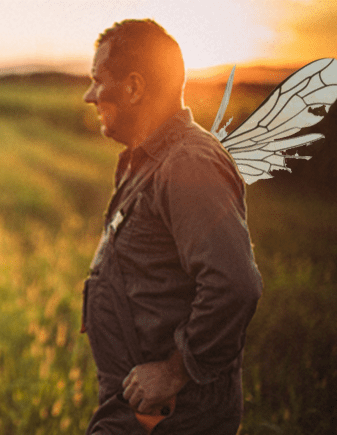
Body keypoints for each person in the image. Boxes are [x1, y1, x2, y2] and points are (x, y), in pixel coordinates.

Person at [80, 19, 263, 434]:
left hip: (173, 412)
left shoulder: (188, 163)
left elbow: (234, 283)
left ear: (133, 87)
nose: (89, 95)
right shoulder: (144, 159)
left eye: (96, 80)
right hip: (138, 405)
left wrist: (175, 370)